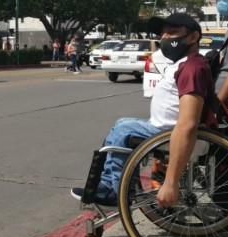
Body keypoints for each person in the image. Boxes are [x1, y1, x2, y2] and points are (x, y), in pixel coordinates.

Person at [71, 13, 214, 207]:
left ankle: (114, 188)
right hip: (163, 128)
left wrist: (171, 183)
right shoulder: (186, 64)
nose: (164, 38)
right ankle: (108, 182)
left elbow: (188, 124)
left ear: (193, 37)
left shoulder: (191, 68)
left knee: (123, 130)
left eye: (172, 33)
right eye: (163, 34)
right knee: (122, 124)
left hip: (167, 133)